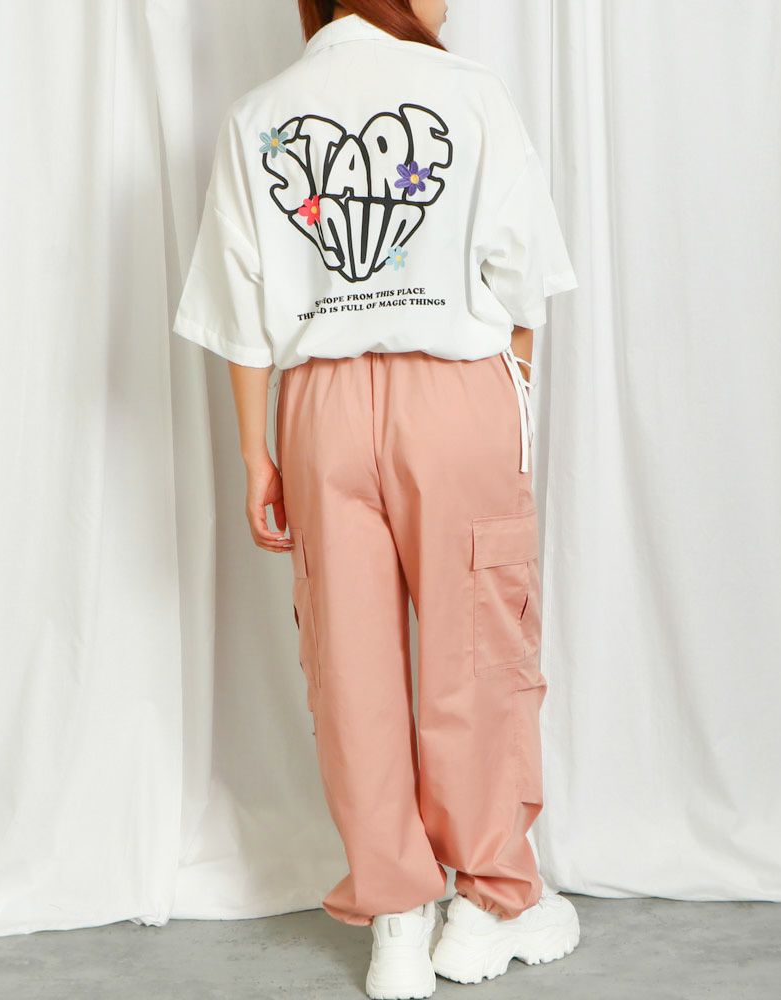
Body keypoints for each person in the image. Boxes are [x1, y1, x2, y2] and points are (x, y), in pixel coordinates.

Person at [173, 1, 580, 996]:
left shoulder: (261, 113)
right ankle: (489, 902)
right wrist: (515, 398)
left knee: (347, 659)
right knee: (476, 648)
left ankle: (397, 916)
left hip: (319, 406)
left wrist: (259, 456)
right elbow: (522, 280)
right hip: (457, 391)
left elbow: (242, 311)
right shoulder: (468, 93)